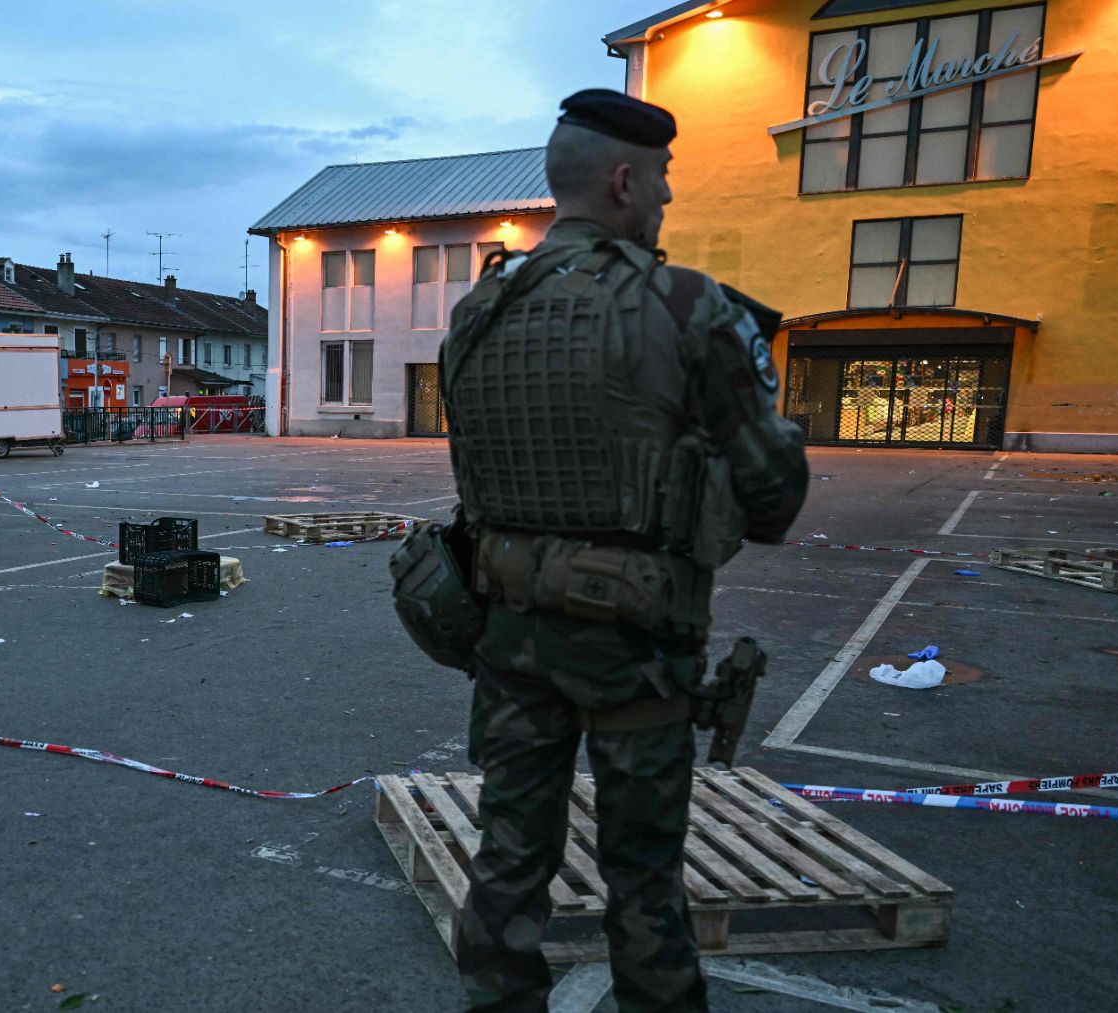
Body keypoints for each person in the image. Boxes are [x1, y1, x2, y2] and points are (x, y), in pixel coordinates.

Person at [440, 91, 810, 1010]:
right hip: (636, 647)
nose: (668, 201)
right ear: (623, 179)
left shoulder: (478, 308)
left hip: (510, 631)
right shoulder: (687, 304)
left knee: (508, 858)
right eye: (663, 180)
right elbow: (772, 500)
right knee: (643, 876)